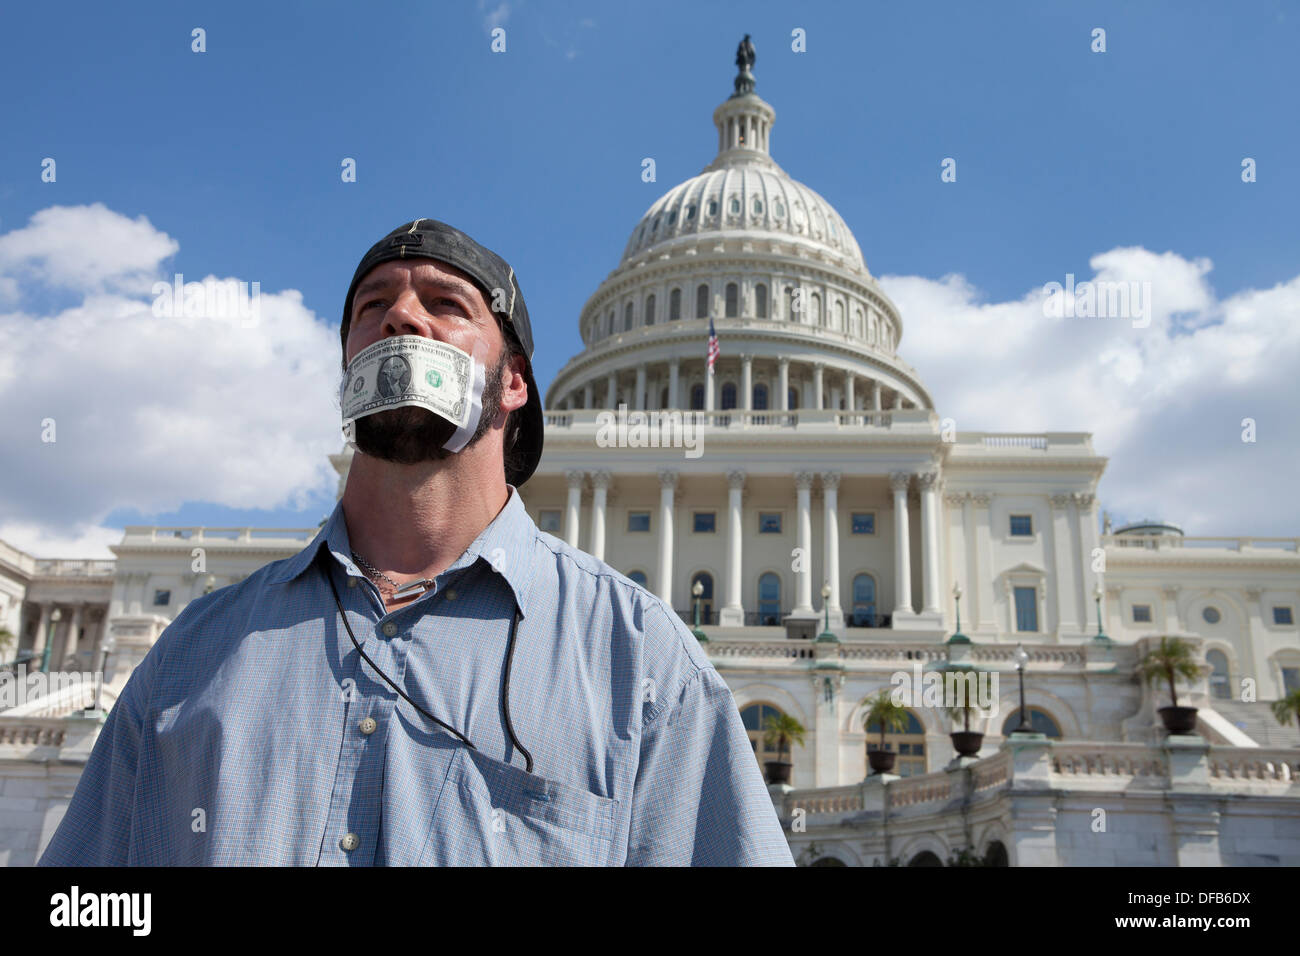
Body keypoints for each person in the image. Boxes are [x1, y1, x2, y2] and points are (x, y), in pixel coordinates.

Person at [38, 218, 794, 866]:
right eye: (373, 306)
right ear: (348, 367)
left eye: (445, 302)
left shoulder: (642, 664)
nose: (400, 317)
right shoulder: (195, 656)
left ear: (515, 383)